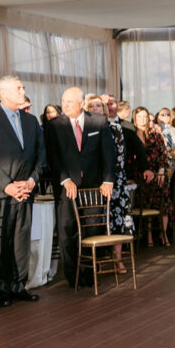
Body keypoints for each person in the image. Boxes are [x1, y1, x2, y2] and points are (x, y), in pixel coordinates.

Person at [0, 75, 45, 306]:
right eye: (19, 87)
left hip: (26, 190)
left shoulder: (31, 121)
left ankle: (18, 285)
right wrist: (8, 186)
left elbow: (40, 155)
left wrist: (31, 181)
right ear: (3, 93)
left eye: (23, 86)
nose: (23, 89)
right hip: (0, 192)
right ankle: (1, 288)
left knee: (21, 239)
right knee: (0, 240)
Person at [44, 87, 115, 286]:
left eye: (69, 102)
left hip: (93, 188)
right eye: (63, 101)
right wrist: (65, 179)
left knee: (91, 229)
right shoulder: (54, 125)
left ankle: (89, 271)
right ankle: (73, 276)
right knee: (67, 231)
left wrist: (108, 180)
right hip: (66, 187)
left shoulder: (99, 122)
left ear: (82, 103)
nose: (64, 105)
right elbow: (53, 156)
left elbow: (108, 154)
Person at [97, 95, 151, 271]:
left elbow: (138, 149)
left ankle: (117, 259)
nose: (109, 106)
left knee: (119, 219)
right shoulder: (91, 126)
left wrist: (146, 168)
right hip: (96, 180)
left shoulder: (125, 127)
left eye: (112, 103)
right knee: (99, 221)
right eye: (106, 104)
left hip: (118, 179)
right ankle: (98, 259)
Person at [133, 107, 173, 247]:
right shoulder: (131, 135)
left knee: (164, 204)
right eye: (139, 117)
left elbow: (164, 154)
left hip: (158, 174)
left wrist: (161, 170)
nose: (143, 120)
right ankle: (149, 235)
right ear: (134, 119)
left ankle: (164, 234)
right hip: (140, 176)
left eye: (145, 117)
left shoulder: (155, 135)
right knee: (146, 203)